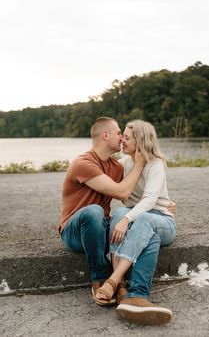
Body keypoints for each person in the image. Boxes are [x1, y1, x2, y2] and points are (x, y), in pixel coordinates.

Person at [95, 120, 177, 325]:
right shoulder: (124, 163)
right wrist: (122, 217)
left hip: (162, 220)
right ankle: (133, 294)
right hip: (141, 222)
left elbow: (150, 200)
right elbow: (108, 185)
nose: (122, 139)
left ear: (140, 141)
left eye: (127, 137)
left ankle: (114, 279)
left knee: (140, 218)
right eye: (122, 135)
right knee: (120, 213)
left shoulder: (156, 164)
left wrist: (126, 219)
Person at [59, 117, 146, 303]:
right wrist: (139, 164)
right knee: (94, 211)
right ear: (105, 135)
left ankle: (119, 281)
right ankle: (100, 276)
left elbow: (128, 195)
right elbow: (121, 190)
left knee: (123, 217)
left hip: (100, 228)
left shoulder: (116, 166)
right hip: (74, 231)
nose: (122, 138)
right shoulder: (83, 163)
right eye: (118, 133)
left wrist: (162, 204)